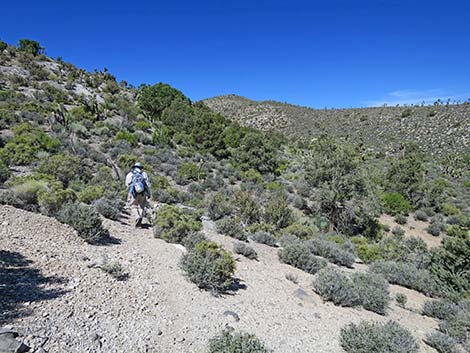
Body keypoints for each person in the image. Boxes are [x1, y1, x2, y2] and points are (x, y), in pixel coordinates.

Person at [125, 162, 151, 227]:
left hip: (134, 193)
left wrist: (129, 195)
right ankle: (140, 217)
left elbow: (127, 185)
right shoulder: (144, 174)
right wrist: (149, 193)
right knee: (141, 206)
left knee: (133, 206)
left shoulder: (130, 174)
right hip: (143, 193)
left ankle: (137, 216)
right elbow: (147, 185)